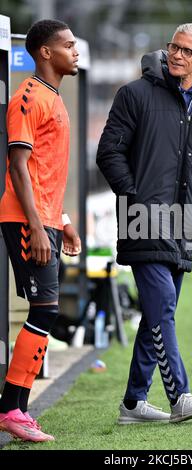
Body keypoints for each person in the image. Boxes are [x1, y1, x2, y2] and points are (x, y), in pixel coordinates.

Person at [96, 23, 192, 424]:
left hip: (186, 223)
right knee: (163, 306)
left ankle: (134, 403)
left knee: (157, 312)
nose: (177, 55)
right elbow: (109, 152)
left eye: (188, 51)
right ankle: (179, 396)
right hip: (143, 218)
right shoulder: (134, 95)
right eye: (174, 46)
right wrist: (134, 194)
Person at [0, 19, 81, 442]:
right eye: (67, 45)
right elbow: (17, 165)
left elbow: (44, 171)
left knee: (46, 311)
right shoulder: (28, 97)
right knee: (45, 310)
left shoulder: (53, 97)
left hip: (45, 220)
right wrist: (36, 223)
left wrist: (62, 222)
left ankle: (16, 409)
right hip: (26, 219)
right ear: (45, 52)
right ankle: (12, 409)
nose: (75, 51)